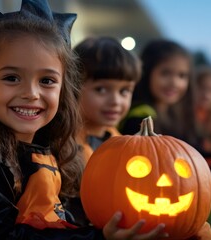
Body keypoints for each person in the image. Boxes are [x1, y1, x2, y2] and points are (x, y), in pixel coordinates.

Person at [0, 0, 167, 239]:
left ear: (62, 88)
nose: (31, 94)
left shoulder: (54, 148)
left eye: (46, 81)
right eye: (11, 78)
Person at [120, 40, 211, 191]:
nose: (174, 82)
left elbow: (190, 149)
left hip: (182, 169)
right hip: (162, 175)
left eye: (181, 76)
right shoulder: (141, 115)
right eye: (165, 73)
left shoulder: (176, 112)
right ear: (146, 73)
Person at [62, 36, 141, 227]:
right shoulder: (65, 141)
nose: (115, 101)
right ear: (73, 87)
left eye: (124, 91)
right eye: (101, 89)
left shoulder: (119, 140)